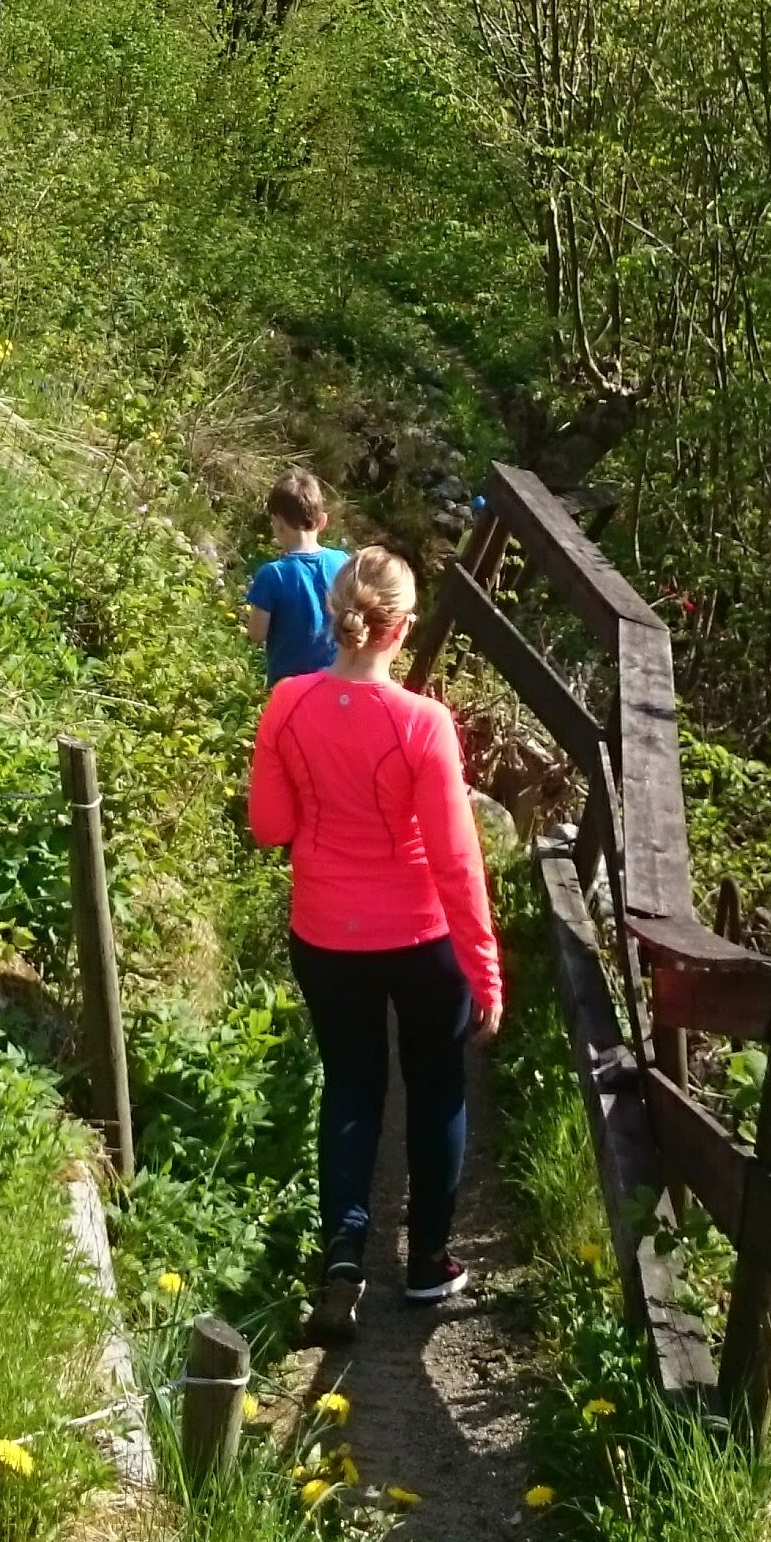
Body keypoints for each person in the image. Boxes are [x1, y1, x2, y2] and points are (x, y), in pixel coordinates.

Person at [248, 545, 503, 1339]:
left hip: (325, 931)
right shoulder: (425, 724)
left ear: (335, 617)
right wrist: (484, 971)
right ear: (403, 628)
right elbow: (458, 862)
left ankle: (342, 1264)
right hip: (423, 936)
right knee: (436, 1089)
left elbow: (270, 828)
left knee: (352, 1088)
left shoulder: (285, 704)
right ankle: (427, 1263)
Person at [244, 467, 345, 684]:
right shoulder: (344, 562)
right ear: (322, 521)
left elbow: (256, 634)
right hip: (337, 683)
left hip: (289, 688)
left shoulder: (272, 575)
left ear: (277, 523)